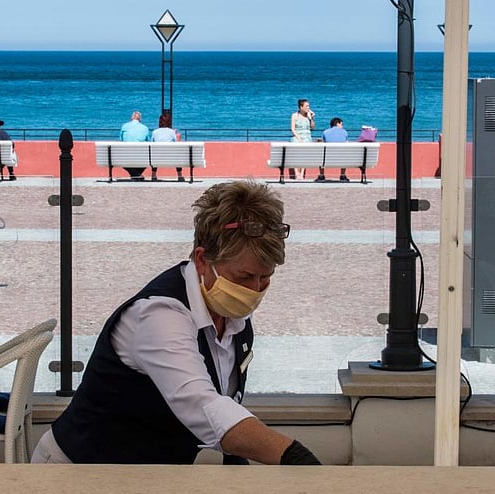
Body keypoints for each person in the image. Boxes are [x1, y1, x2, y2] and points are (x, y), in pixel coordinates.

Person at [33, 180, 321, 466]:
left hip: (143, 476)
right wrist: (294, 457)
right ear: (202, 260)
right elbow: (204, 406)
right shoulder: (160, 315)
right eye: (244, 277)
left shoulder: (230, 312)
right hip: (77, 469)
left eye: (266, 277)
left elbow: (227, 405)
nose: (255, 289)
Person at [150, 111, 184, 181]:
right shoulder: (172, 132)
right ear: (169, 122)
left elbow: (152, 143)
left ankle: (153, 176)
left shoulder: (155, 132)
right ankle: (180, 176)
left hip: (157, 157)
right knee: (177, 155)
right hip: (171, 157)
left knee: (155, 154)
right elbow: (176, 143)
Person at [119, 110, 150, 180]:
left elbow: (121, 139)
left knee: (124, 159)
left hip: (126, 156)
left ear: (131, 118)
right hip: (141, 156)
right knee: (147, 159)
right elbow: (148, 141)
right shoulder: (145, 128)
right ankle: (136, 175)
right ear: (140, 119)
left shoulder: (124, 126)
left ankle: (135, 175)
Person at [317, 117, 349, 183]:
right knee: (344, 154)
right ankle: (342, 175)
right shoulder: (345, 132)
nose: (342, 126)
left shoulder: (325, 132)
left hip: (327, 159)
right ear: (337, 124)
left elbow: (323, 143)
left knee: (321, 154)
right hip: (341, 158)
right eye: (341, 124)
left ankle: (322, 175)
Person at [289, 99, 315, 180]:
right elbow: (292, 129)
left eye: (308, 106)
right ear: (301, 107)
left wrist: (311, 118)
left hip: (307, 136)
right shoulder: (294, 115)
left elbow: (312, 127)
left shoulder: (308, 115)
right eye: (306, 106)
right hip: (297, 135)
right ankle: (297, 173)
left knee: (305, 153)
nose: (308, 107)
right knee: (295, 152)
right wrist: (298, 137)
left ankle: (302, 173)